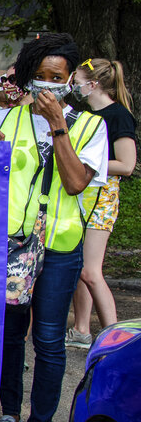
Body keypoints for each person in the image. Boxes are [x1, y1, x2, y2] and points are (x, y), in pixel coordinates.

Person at [0, 33, 108, 422]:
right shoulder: (5, 119)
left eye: (58, 77)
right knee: (10, 333)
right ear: (29, 78)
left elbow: (76, 182)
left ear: (71, 79)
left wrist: (58, 126)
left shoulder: (91, 126)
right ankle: (10, 416)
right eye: (41, 77)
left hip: (59, 246)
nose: (50, 85)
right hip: (13, 244)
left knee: (49, 339)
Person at [66, 58, 136, 348]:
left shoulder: (118, 115)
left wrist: (86, 162)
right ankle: (82, 330)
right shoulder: (87, 115)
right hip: (84, 196)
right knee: (81, 266)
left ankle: (118, 342)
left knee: (91, 272)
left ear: (92, 84)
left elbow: (127, 164)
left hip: (102, 198)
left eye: (76, 80)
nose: (72, 85)